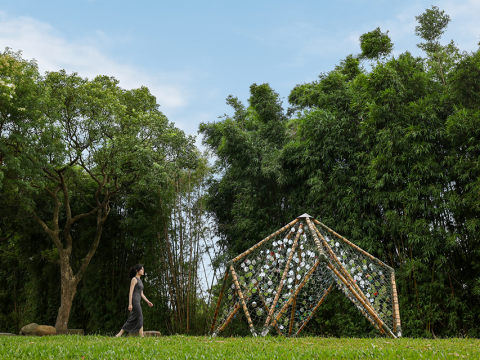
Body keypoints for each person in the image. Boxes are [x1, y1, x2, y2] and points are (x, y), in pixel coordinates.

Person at [115, 263, 153, 337]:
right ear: (137, 270)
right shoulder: (134, 279)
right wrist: (130, 304)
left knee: (132, 318)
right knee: (140, 316)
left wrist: (148, 301)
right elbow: (131, 292)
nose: (143, 270)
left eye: (143, 269)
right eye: (141, 269)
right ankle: (141, 335)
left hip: (138, 300)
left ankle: (119, 334)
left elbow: (142, 294)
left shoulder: (140, 281)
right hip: (134, 301)